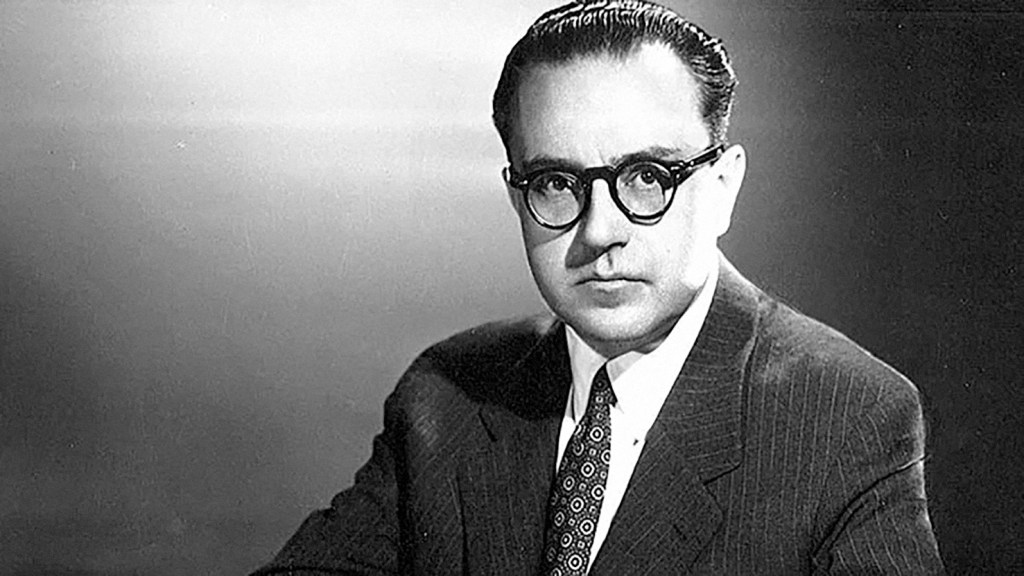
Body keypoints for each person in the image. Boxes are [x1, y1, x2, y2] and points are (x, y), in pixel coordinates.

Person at [251, 1, 944, 574]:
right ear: (517, 200)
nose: (599, 232)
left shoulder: (845, 417)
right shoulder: (446, 398)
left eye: (647, 177)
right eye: (557, 183)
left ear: (723, 188)